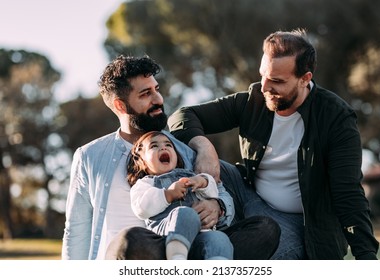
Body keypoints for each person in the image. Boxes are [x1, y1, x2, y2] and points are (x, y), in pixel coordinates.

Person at [168, 29, 380, 260]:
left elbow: (348, 193)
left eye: (277, 81)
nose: (265, 87)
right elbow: (182, 116)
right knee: (176, 147)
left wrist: (366, 256)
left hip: (300, 223)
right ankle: (174, 232)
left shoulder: (336, 118)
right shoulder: (254, 99)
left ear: (305, 78)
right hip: (246, 193)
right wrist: (204, 146)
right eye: (263, 76)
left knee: (263, 259)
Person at [62, 54, 280, 260]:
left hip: (185, 249)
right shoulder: (90, 157)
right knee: (132, 239)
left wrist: (218, 206)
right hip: (130, 256)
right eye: (145, 94)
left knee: (265, 230)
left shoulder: (182, 149)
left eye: (156, 89)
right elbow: (77, 229)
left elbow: (219, 190)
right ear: (120, 105)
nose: (158, 99)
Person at [128, 131, 233, 260]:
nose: (163, 147)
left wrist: (203, 182)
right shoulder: (146, 183)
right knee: (186, 213)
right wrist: (168, 194)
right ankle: (177, 258)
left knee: (219, 238)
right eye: (154, 146)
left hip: (201, 234)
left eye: (168, 145)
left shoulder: (189, 175)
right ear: (141, 160)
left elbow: (214, 193)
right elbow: (141, 208)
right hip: (167, 234)